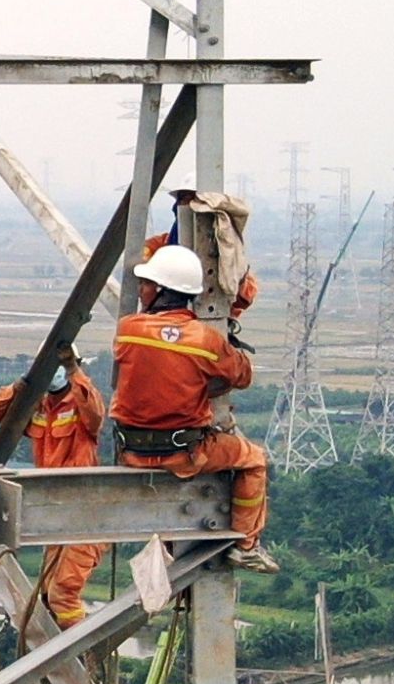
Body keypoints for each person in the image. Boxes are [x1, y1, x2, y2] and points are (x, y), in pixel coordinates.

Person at [111, 244, 278, 573]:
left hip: (131, 451)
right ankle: (246, 544)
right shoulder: (205, 340)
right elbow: (242, 376)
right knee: (254, 459)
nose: (141, 290)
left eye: (146, 284)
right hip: (185, 454)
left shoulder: (128, 330)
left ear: (160, 290)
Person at [0, 344, 107, 627]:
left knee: (63, 593)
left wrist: (74, 371)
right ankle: (60, 651)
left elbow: (96, 414)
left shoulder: (80, 402)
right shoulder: (38, 406)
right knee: (49, 594)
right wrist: (22, 385)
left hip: (84, 513)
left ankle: (75, 654)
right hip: (54, 512)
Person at [141, 174, 258, 320]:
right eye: (184, 199)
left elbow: (244, 297)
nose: (190, 206)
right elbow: (141, 272)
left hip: (212, 328)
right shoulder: (159, 247)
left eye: (195, 200)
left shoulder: (228, 257)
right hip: (164, 323)